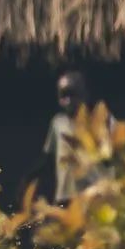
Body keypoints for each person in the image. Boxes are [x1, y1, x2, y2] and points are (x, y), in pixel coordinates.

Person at [43, 70, 94, 203]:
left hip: (87, 195)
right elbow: (49, 157)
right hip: (63, 196)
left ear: (85, 95)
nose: (69, 101)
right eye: (63, 95)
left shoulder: (94, 122)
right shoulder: (57, 123)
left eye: (73, 94)